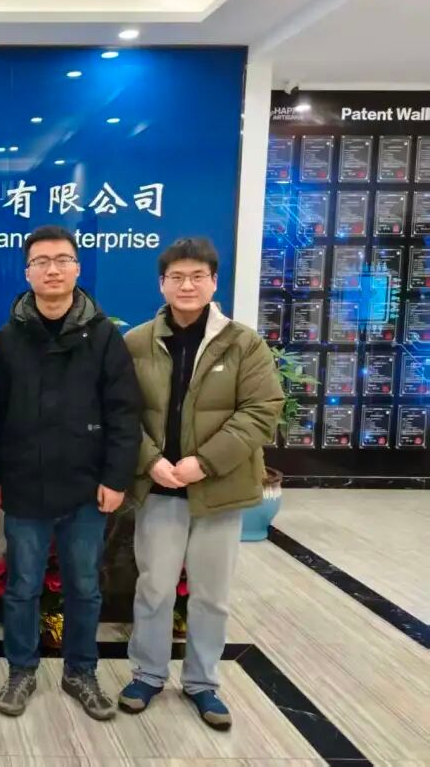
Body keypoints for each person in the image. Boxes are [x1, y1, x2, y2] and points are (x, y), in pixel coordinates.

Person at [119, 237, 282, 730]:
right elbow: (120, 413)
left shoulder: (243, 343)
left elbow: (261, 411)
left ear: (213, 282)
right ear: (161, 284)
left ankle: (203, 683)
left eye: (197, 277)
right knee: (154, 587)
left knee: (211, 593)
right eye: (177, 277)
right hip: (159, 488)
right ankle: (147, 674)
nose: (186, 285)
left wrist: (204, 463)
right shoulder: (137, 342)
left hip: (218, 489)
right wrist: (150, 460)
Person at [0, 225, 141, 720]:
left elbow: (124, 413)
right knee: (22, 587)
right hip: (24, 486)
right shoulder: (8, 339)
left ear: (77, 268)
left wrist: (116, 479)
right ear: (27, 272)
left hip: (86, 487)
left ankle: (81, 672)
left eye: (62, 260)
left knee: (85, 587)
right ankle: (21, 670)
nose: (52, 270)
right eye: (41, 262)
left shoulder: (103, 337)